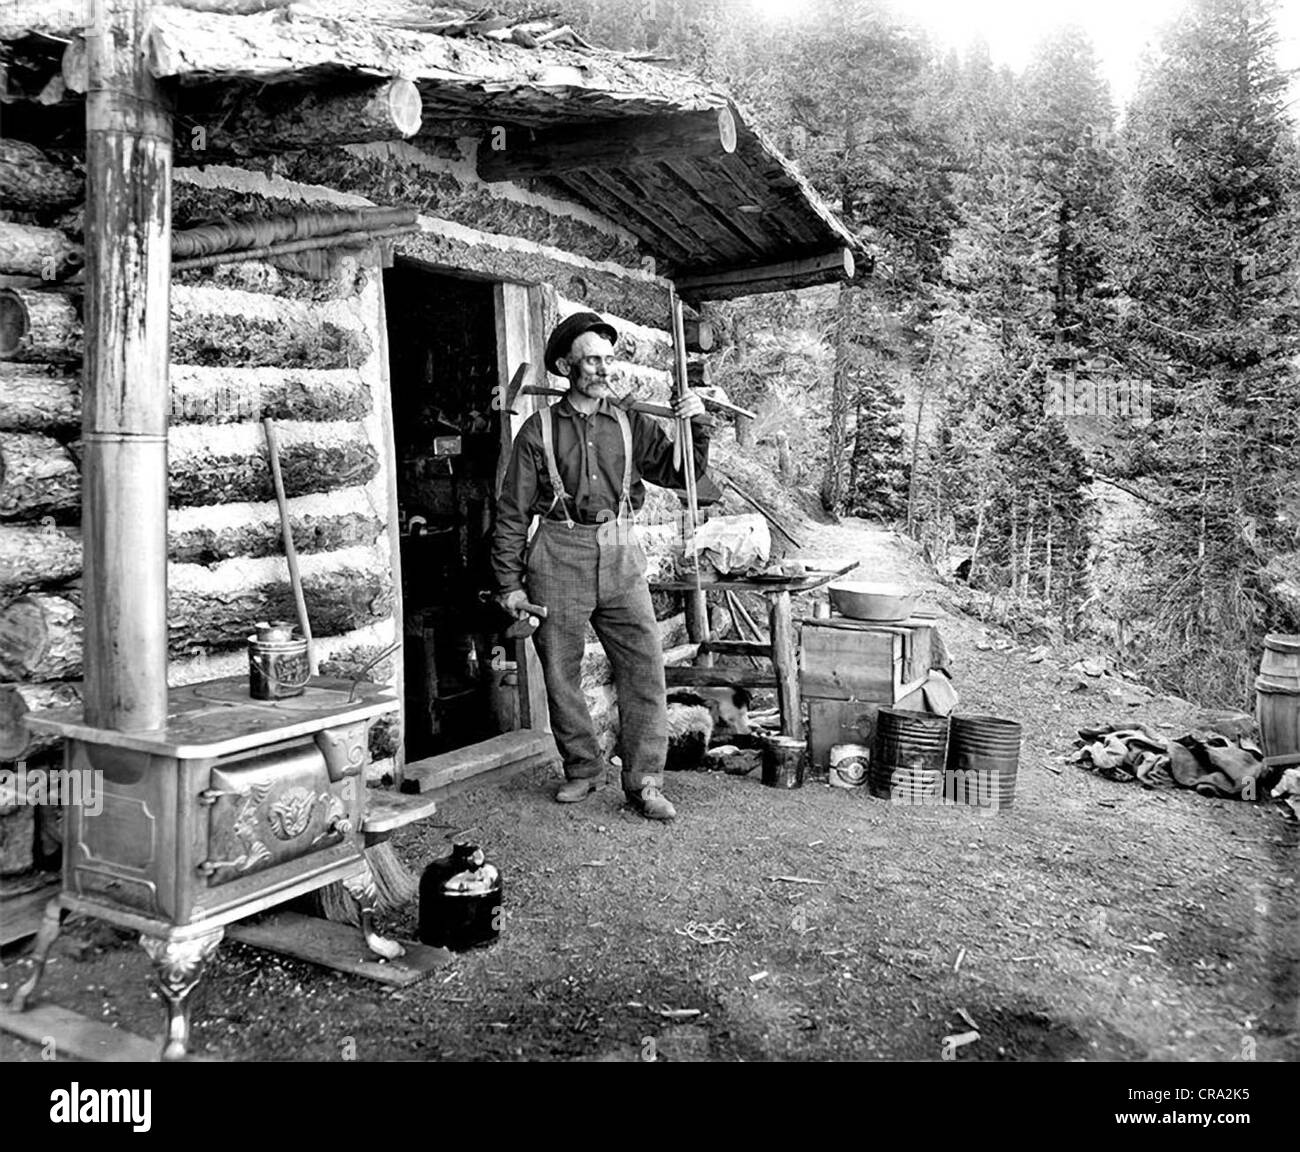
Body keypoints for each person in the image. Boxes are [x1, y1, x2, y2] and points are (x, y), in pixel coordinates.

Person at [492, 311, 719, 821]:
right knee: (560, 671)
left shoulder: (629, 420)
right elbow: (511, 512)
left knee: (643, 667)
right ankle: (583, 769)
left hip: (620, 552)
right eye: (591, 359)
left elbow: (683, 472)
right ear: (565, 366)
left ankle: (645, 782)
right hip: (557, 551)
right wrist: (508, 583)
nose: (602, 369)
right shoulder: (538, 430)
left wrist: (695, 420)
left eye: (606, 359)